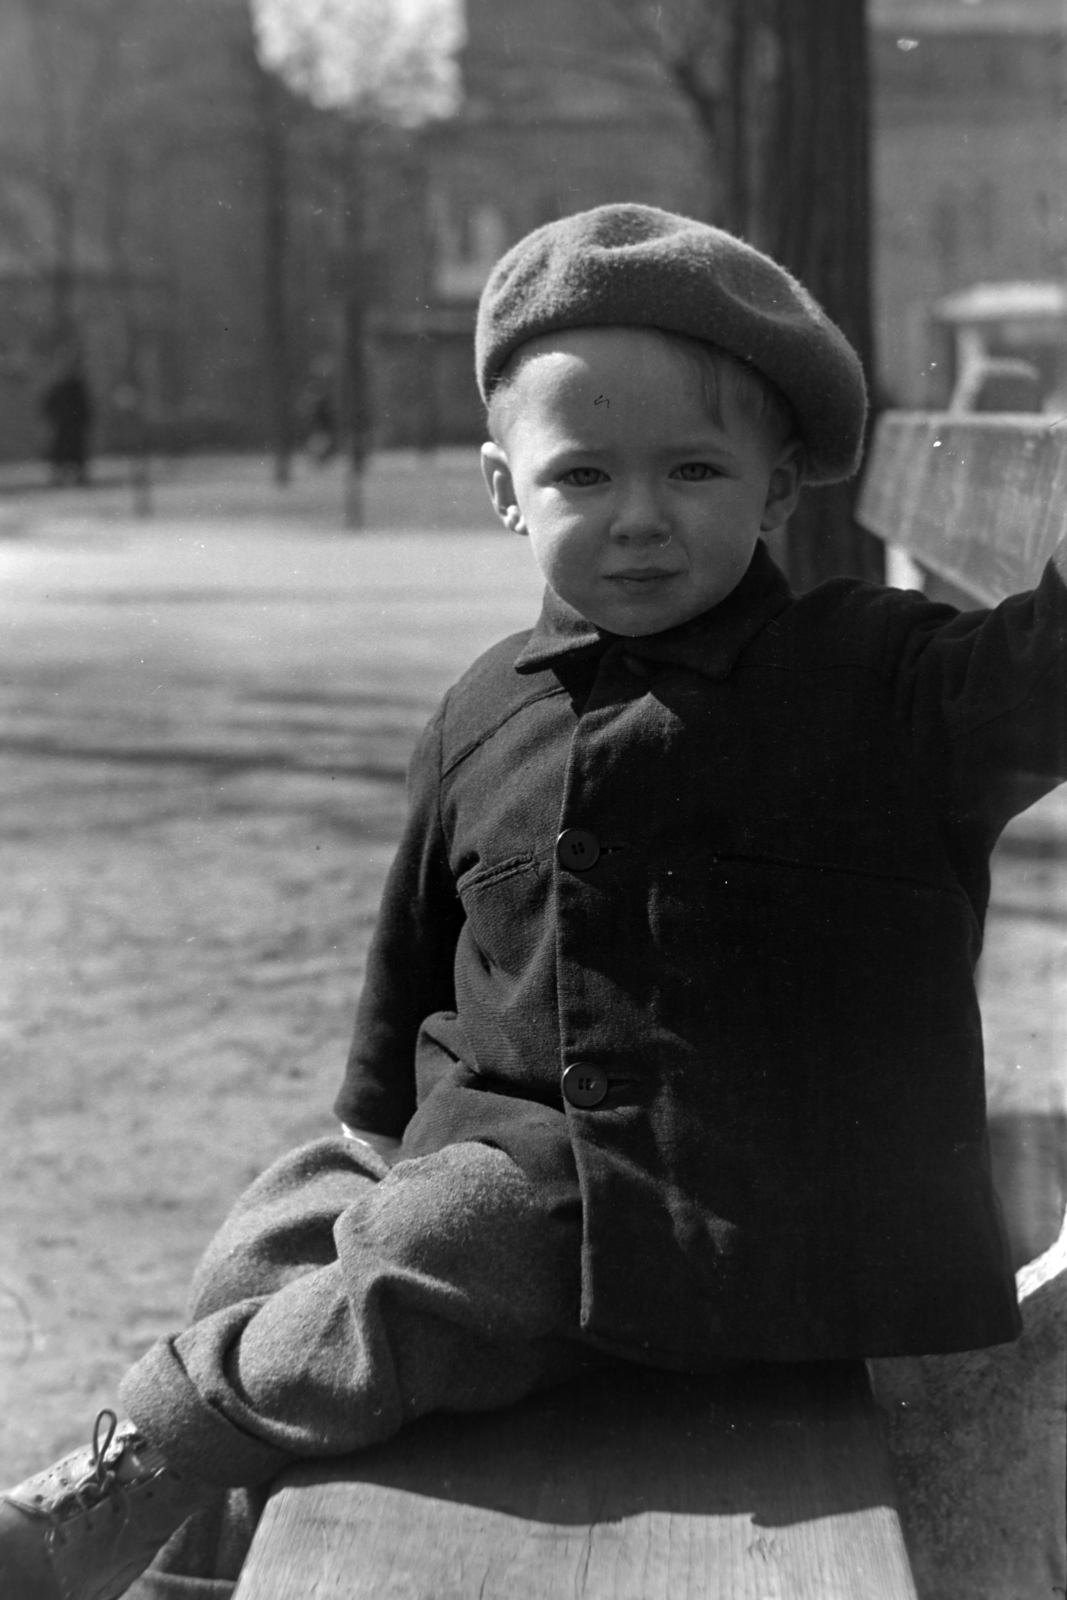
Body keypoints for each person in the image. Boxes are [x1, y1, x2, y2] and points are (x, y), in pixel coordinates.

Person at [3, 204, 1065, 1600]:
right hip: (492, 1159)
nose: (638, 516)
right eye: (583, 476)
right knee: (292, 1214)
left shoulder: (877, 678)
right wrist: (361, 1145)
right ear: (508, 491)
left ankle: (125, 1471)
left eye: (693, 468)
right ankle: (189, 1560)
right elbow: (412, 981)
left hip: (731, 1219)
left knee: (446, 1238)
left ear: (777, 487)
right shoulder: (479, 710)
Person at [41, 352, 93, 486]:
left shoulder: (77, 387)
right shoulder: (60, 386)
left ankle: (79, 477)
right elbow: (49, 404)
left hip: (74, 426)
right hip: (63, 425)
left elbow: (85, 406)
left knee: (76, 453)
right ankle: (59, 477)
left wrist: (82, 420)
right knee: (62, 453)